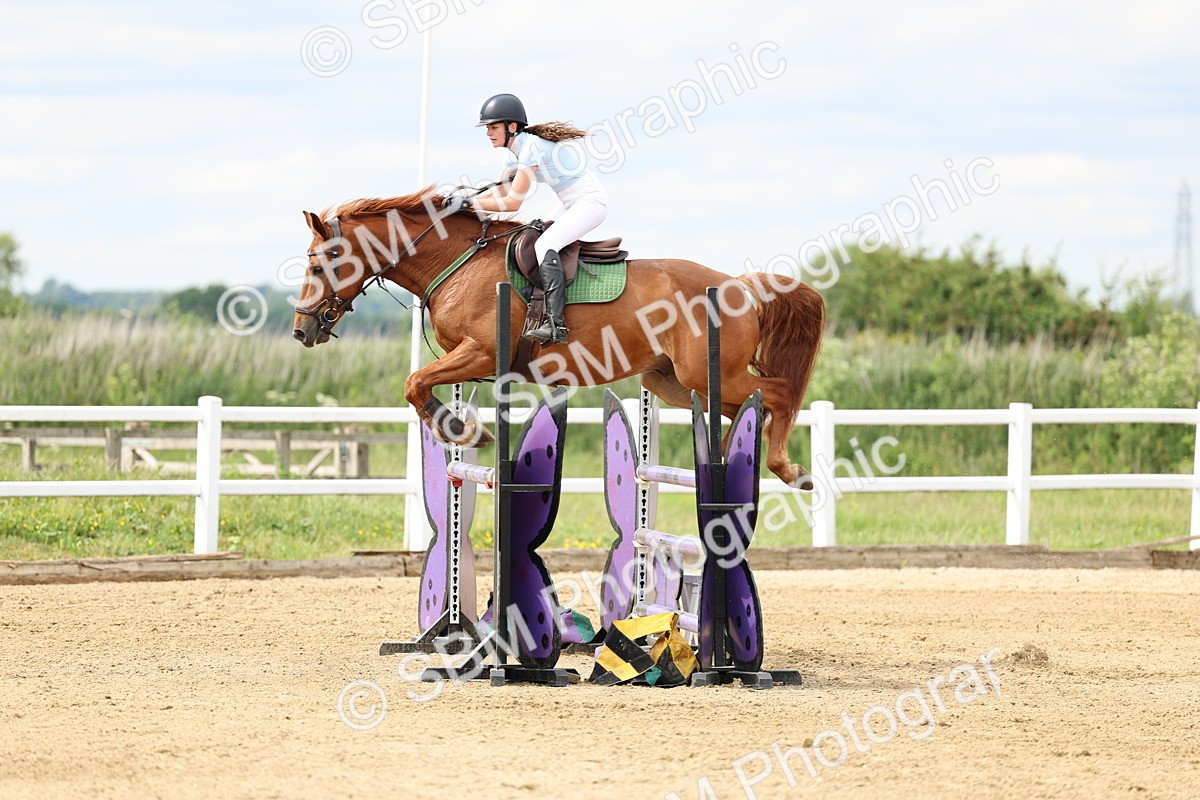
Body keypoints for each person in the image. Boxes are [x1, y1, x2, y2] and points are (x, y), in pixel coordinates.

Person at [453, 93, 608, 345]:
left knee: (544, 245)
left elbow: (513, 202)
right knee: (531, 237)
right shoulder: (511, 153)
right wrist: (466, 206)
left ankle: (556, 324)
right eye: (487, 128)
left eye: (493, 127)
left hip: (590, 202)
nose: (488, 133)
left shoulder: (530, 149)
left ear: (511, 127)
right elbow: (500, 194)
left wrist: (470, 203)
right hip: (569, 202)